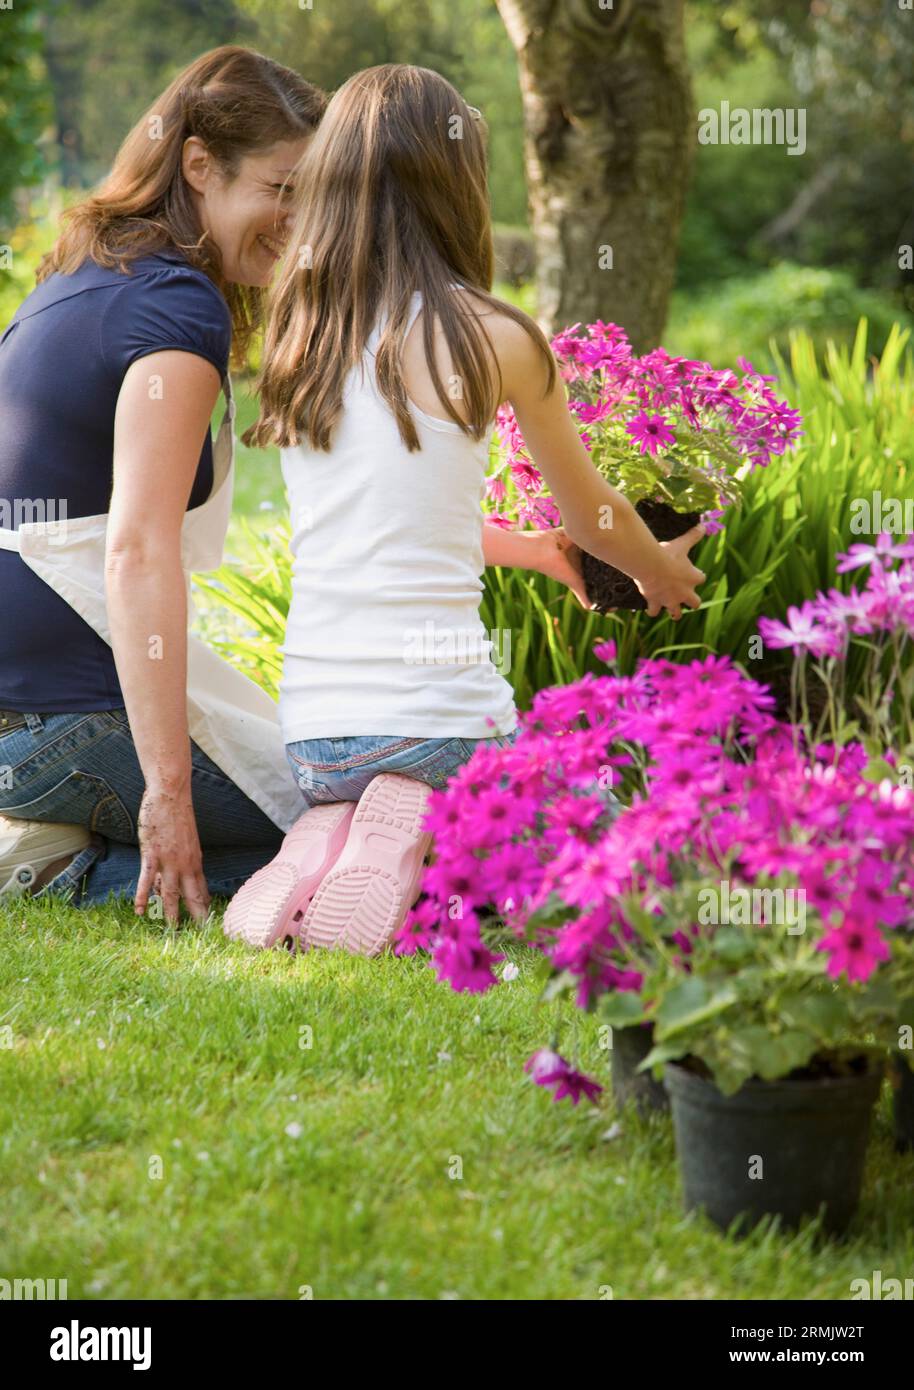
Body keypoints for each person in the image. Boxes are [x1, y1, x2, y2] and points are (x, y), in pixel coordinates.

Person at [0, 47, 600, 923]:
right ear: (200, 165)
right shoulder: (176, 313)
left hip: (30, 703)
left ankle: (57, 831)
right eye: (282, 188)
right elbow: (135, 550)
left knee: (326, 794)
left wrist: (527, 548)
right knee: (333, 820)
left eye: (312, 192)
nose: (298, 218)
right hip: (56, 711)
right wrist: (166, 794)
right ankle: (58, 870)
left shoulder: (84, 276)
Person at [224, 64, 705, 957]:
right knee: (625, 855)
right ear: (459, 182)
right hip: (441, 723)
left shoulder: (299, 333)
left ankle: (329, 832)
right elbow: (596, 510)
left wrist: (535, 552)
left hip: (319, 733)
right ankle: (409, 827)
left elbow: (396, 522)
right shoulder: (496, 337)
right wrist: (660, 568)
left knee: (388, 805)